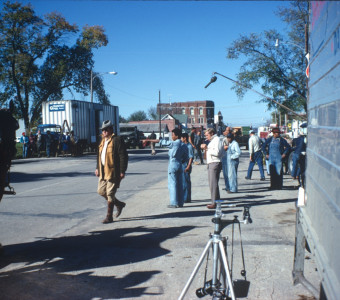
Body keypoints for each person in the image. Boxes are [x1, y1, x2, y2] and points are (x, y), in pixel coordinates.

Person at [95, 120, 128, 224]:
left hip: (113, 171)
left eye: (105, 130)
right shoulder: (102, 141)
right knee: (101, 191)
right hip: (103, 171)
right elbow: (99, 156)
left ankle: (109, 217)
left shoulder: (117, 140)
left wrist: (122, 171)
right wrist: (97, 168)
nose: (104, 132)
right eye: (102, 130)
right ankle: (119, 204)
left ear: (110, 129)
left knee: (110, 193)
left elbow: (123, 156)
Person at [160, 128, 188, 208]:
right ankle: (180, 202)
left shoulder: (174, 143)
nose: (172, 136)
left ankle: (174, 202)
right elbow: (186, 157)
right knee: (180, 184)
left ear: (176, 135)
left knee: (172, 184)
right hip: (180, 164)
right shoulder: (184, 145)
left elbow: (164, 143)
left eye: (173, 135)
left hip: (173, 163)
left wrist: (158, 140)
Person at [201, 128, 223, 209]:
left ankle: (214, 202)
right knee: (213, 184)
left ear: (212, 133)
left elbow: (217, 152)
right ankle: (216, 201)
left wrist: (207, 148)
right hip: (211, 163)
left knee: (213, 184)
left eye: (207, 135)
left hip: (215, 162)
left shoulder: (217, 140)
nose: (206, 137)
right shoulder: (213, 140)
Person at [181, 133, 194, 203]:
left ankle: (186, 198)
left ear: (185, 138)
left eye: (181, 138)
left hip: (186, 165)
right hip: (183, 165)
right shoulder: (184, 145)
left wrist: (188, 166)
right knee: (184, 182)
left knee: (186, 182)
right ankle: (185, 197)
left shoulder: (189, 146)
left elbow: (191, 157)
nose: (181, 139)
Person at [221, 127, 231, 191]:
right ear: (224, 132)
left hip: (229, 156)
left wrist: (229, 147)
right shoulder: (224, 139)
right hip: (224, 156)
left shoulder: (231, 138)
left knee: (228, 173)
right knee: (225, 173)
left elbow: (225, 147)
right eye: (227, 131)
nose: (228, 132)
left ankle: (229, 187)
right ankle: (227, 186)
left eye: (229, 130)